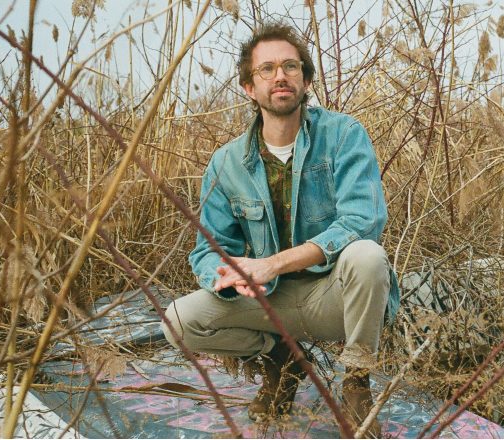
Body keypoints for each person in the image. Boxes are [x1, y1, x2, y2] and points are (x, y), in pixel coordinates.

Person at [161, 22, 399, 437]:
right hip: (269, 303)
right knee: (178, 321)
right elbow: (208, 249)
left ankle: (357, 382)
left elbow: (363, 221)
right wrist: (231, 275)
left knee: (367, 255)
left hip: (335, 297)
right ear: (249, 88)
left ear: (306, 80)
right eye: (266, 69)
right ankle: (282, 360)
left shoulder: (343, 135)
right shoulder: (226, 164)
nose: (280, 76)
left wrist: (272, 264)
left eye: (290, 66)